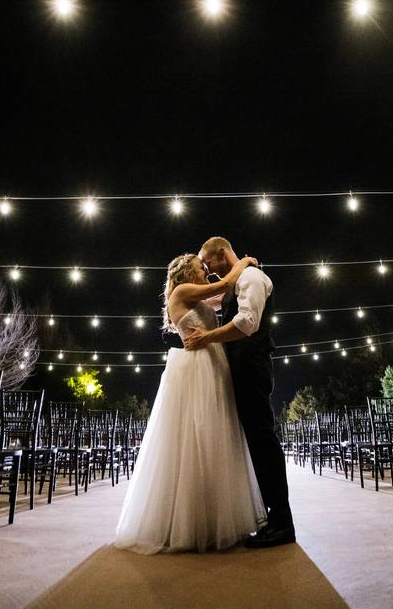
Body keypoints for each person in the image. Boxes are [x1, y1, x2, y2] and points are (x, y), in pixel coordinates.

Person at [114, 252, 266, 554]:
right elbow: (225, 283)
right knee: (192, 439)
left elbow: (222, 294)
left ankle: (211, 522)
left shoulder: (195, 299)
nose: (206, 270)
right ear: (185, 272)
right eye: (201, 267)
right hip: (195, 366)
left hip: (211, 363)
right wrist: (245, 262)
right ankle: (187, 525)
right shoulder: (182, 292)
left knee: (213, 439)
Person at [184, 236, 295, 548]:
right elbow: (210, 299)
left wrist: (207, 338)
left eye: (208, 262)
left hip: (254, 370)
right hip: (240, 373)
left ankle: (282, 522)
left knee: (263, 441)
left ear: (223, 254)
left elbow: (247, 323)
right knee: (254, 444)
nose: (207, 268)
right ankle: (269, 518)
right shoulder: (235, 283)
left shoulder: (253, 278)